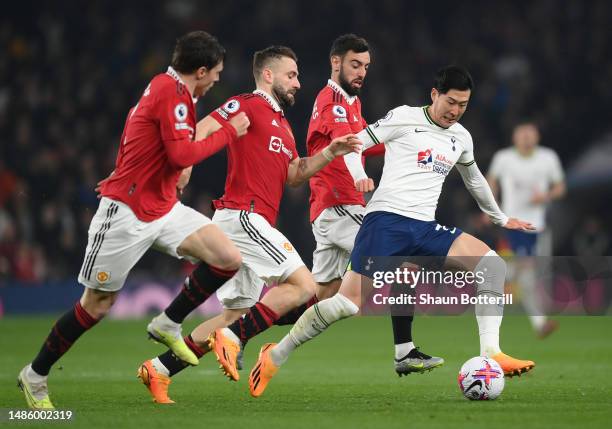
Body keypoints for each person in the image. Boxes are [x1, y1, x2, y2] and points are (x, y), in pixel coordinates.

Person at [247, 65, 537, 397]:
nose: (455, 111)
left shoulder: (462, 137)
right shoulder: (404, 117)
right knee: (345, 305)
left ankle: (491, 353)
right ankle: (276, 354)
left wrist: (499, 218)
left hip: (425, 228)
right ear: (434, 95)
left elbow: (474, 180)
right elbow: (356, 143)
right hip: (385, 222)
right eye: (451, 102)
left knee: (492, 266)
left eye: (463, 105)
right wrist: (358, 175)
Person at [16, 31, 250, 410]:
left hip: (162, 206)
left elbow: (146, 138)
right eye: (216, 73)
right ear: (201, 70)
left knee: (227, 258)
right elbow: (179, 154)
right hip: (126, 214)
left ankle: (168, 322)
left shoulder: (172, 90)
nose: (218, 80)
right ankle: (36, 374)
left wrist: (142, 170)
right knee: (96, 306)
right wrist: (228, 132)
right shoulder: (171, 94)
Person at [138, 46, 360, 404]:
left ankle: (159, 369)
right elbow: (201, 128)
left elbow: (294, 174)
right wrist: (185, 166)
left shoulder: (284, 125)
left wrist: (330, 152)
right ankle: (236, 339)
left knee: (235, 314)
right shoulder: (246, 104)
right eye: (291, 75)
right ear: (268, 75)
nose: (298, 83)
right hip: (243, 216)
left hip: (246, 221)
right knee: (303, 285)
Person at [305, 34, 442, 375]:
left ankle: (240, 332)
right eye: (355, 64)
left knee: (317, 297)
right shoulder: (333, 103)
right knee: (406, 260)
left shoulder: (350, 102)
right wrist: (358, 177)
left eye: (366, 66)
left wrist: (407, 134)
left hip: (334, 207)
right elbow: (352, 147)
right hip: (339, 205)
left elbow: (368, 141)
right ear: (335, 62)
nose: (362, 72)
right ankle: (404, 352)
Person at [487, 122, 565, 338]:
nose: (526, 138)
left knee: (522, 276)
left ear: (537, 137)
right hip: (511, 224)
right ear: (514, 138)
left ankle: (483, 285)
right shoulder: (503, 158)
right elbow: (490, 181)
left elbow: (560, 187)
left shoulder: (548, 158)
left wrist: (546, 196)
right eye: (522, 134)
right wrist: (489, 205)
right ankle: (539, 324)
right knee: (526, 273)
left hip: (535, 226)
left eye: (530, 134)